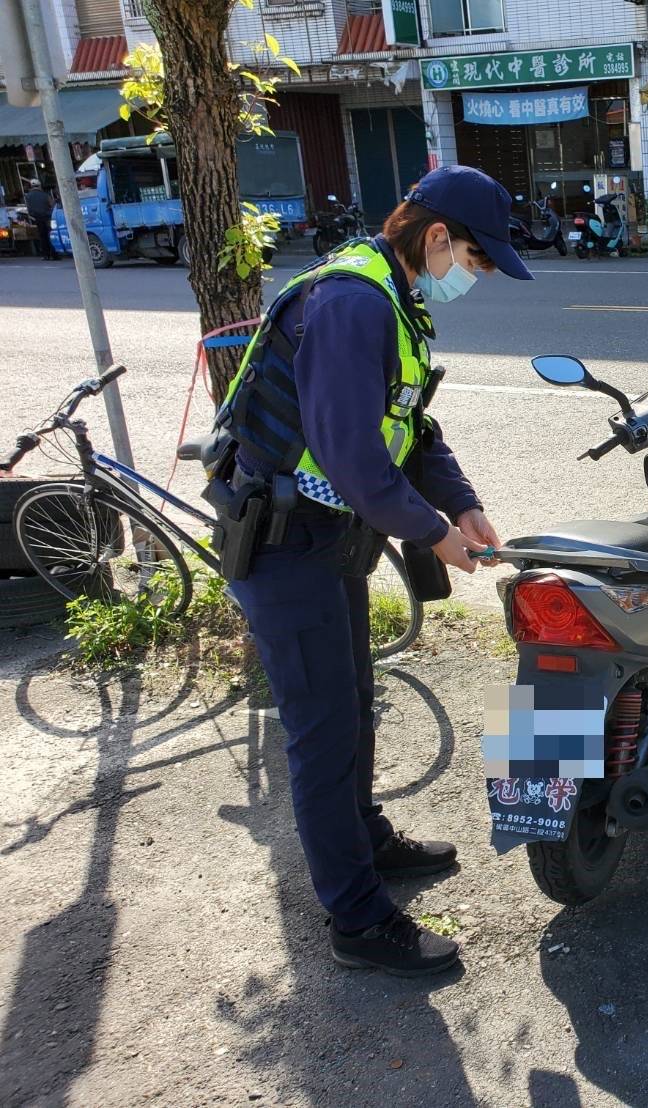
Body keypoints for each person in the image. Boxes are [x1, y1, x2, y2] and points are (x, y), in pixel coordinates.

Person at [215, 165, 533, 976]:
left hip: (325, 538)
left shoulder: (390, 294)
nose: (475, 275)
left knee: (353, 705)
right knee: (323, 732)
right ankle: (357, 921)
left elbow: (409, 425)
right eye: (475, 259)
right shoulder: (354, 302)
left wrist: (459, 504)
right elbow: (355, 455)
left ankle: (365, 838)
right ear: (435, 238)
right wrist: (432, 534)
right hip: (287, 544)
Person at [24, 179, 55, 260]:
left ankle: (46, 255)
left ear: (31, 186)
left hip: (37, 218)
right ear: (40, 186)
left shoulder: (28, 196)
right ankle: (54, 254)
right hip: (48, 217)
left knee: (42, 236)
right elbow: (52, 205)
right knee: (50, 235)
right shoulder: (45, 195)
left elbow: (28, 208)